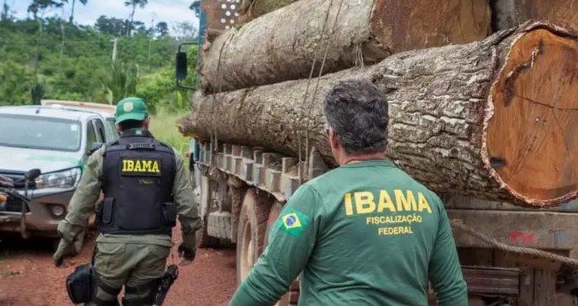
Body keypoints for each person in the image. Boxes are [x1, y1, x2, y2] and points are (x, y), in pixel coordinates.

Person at [231, 79, 468, 305]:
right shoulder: (428, 201)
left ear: (333, 137)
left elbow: (268, 279)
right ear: (386, 133)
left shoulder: (314, 198)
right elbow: (451, 289)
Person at [53, 96, 202, 306]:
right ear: (147, 121)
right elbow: (188, 209)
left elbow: (80, 206)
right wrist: (189, 245)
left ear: (117, 125)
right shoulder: (172, 157)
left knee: (99, 300)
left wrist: (65, 243)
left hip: (112, 249)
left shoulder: (103, 156)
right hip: (154, 248)